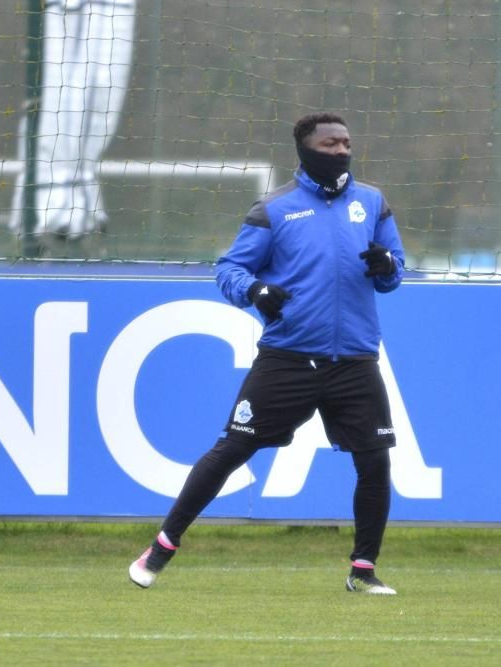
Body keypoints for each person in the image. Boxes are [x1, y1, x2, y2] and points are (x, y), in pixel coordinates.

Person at [128, 112, 405, 595]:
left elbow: (394, 272)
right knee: (231, 449)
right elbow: (229, 269)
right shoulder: (275, 209)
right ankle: (160, 548)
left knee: (375, 461)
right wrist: (255, 291)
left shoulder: (372, 202)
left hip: (355, 361)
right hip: (289, 358)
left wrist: (387, 264)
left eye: (346, 143)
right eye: (330, 144)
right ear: (305, 150)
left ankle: (363, 571)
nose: (341, 151)